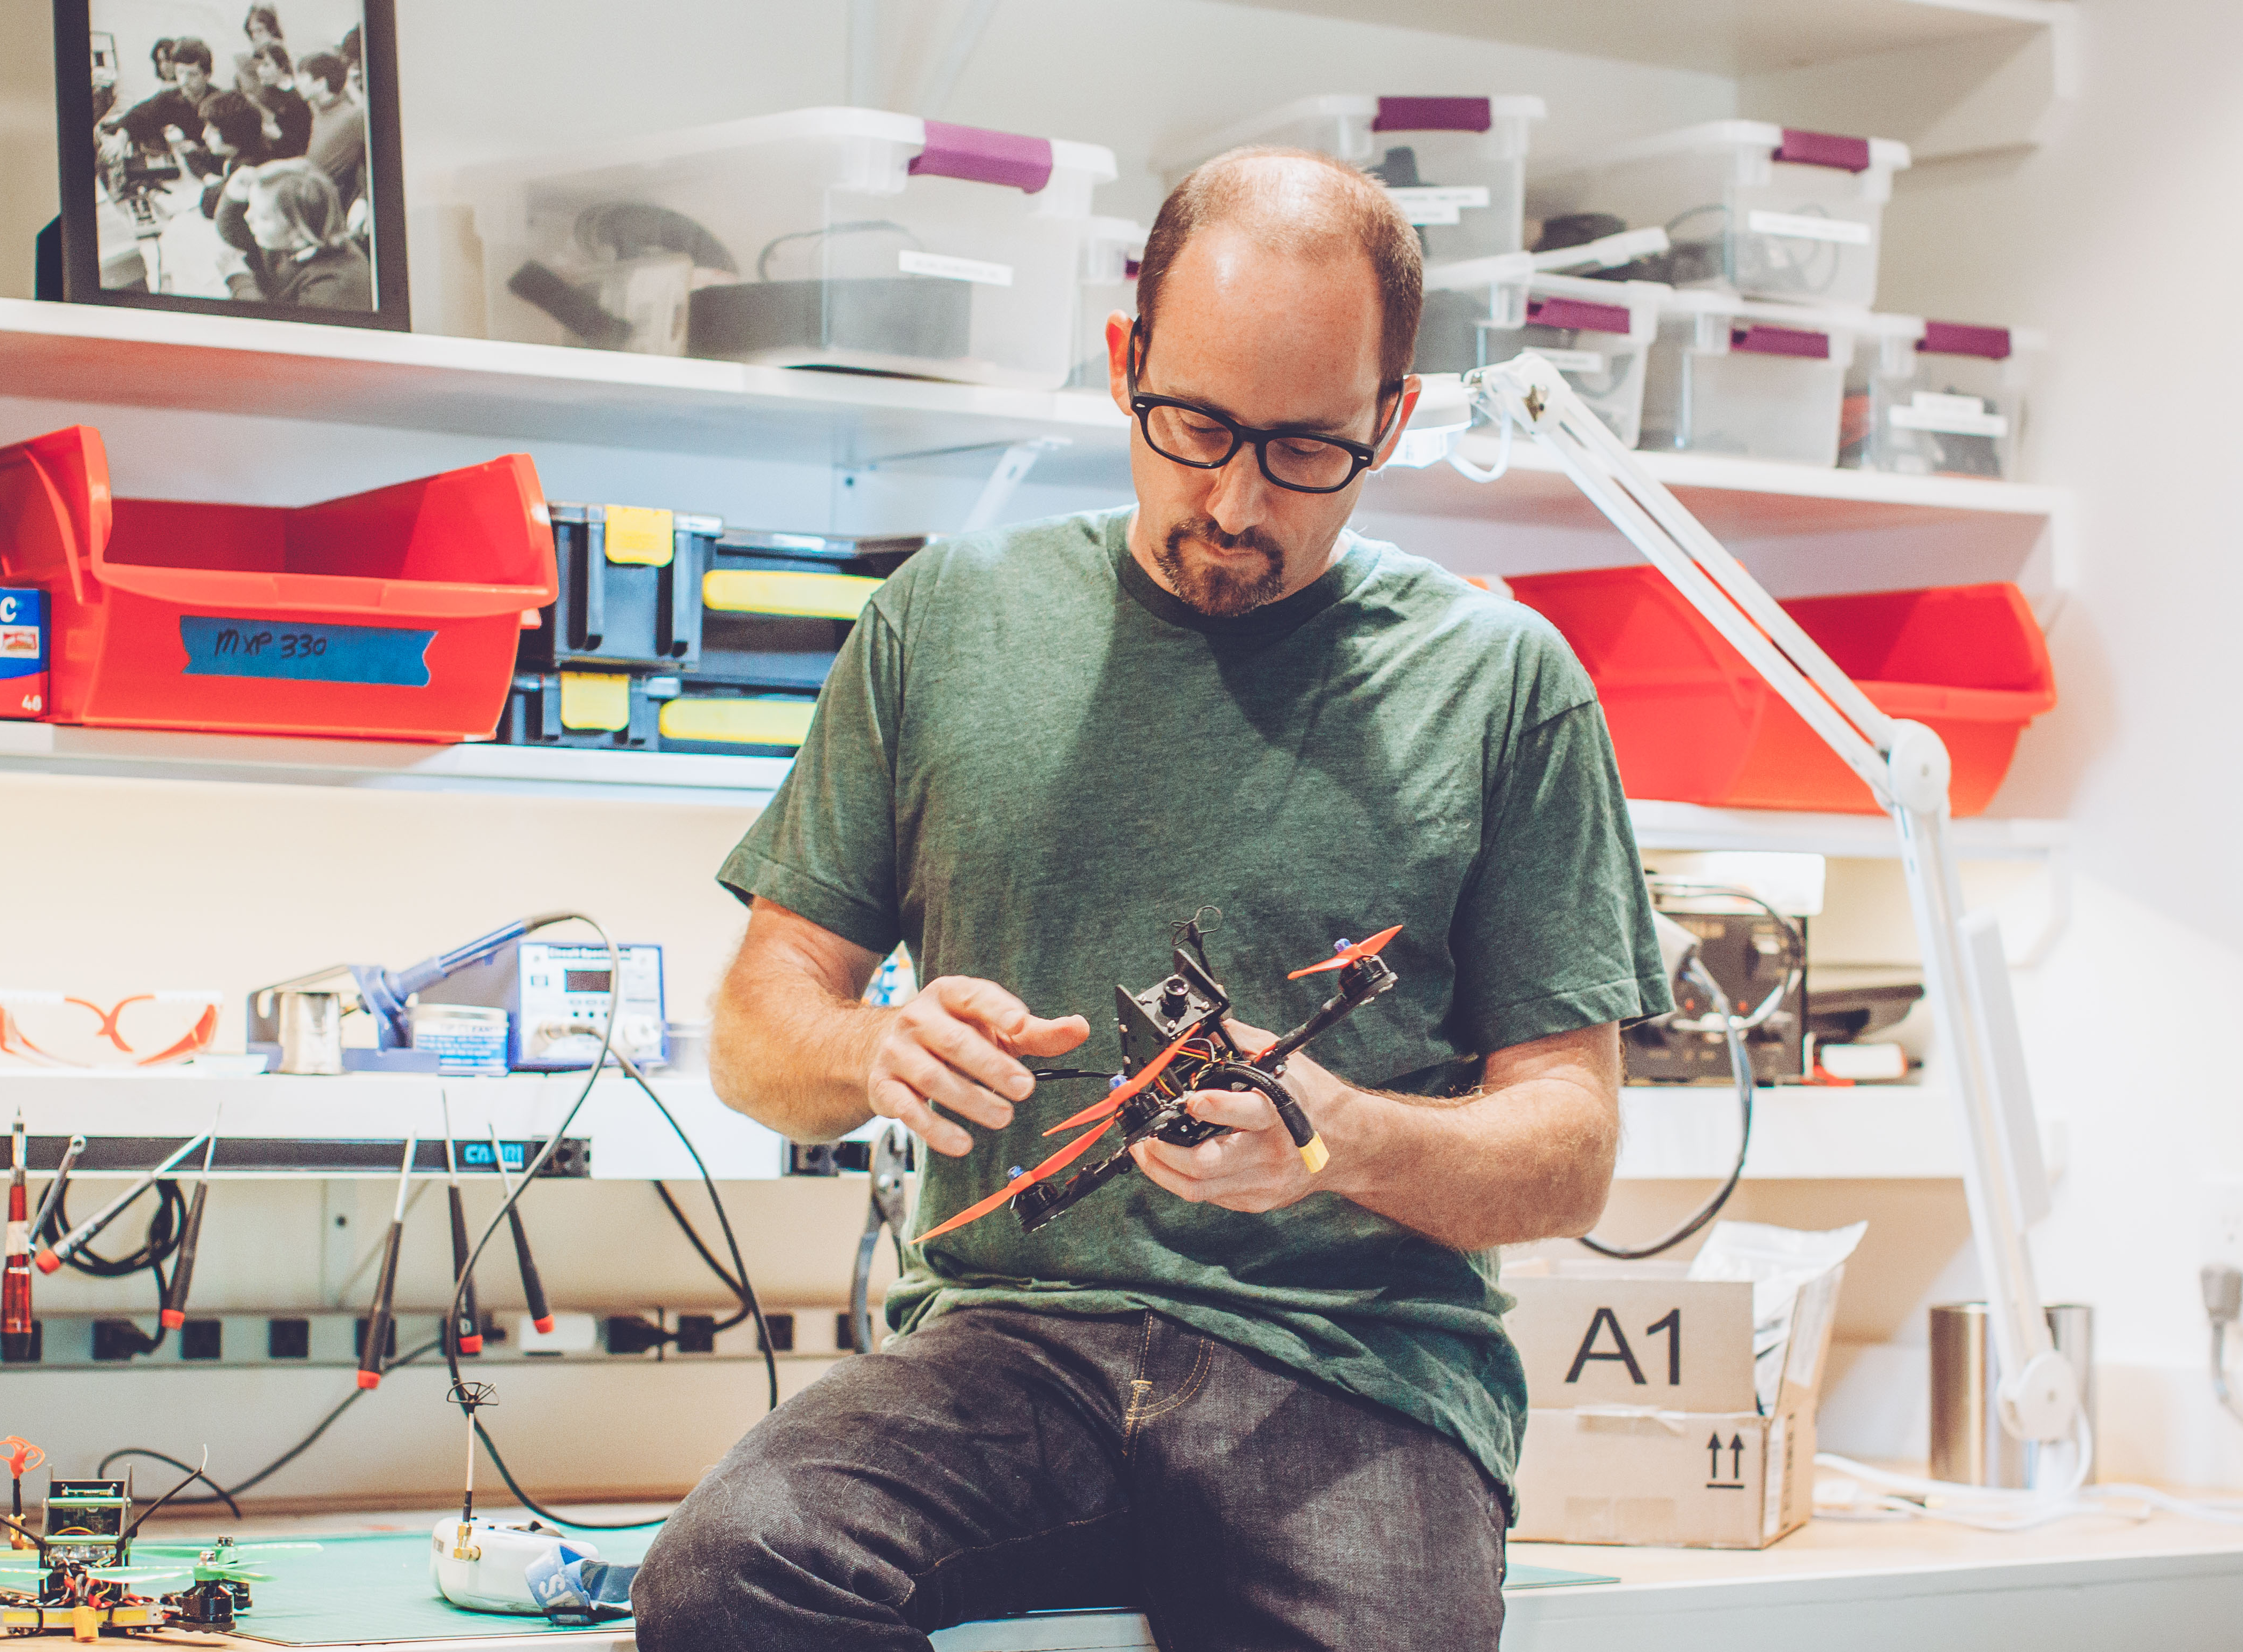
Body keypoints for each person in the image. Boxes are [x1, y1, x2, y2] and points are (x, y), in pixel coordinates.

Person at [632, 147, 1667, 1650]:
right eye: (1195, 428)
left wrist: (1340, 1140)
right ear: (1126, 364)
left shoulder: (1502, 686)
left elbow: (1567, 1153)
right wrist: (874, 1050)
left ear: (1395, 420)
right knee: (734, 1578)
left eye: (1308, 449)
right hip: (1002, 1352)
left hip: (1355, 1370)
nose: (1235, 501)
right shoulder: (947, 624)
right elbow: (753, 1034)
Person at [213, 158, 371, 308]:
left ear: (298, 234)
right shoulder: (292, 241)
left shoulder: (333, 287)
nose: (247, 217)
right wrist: (233, 195)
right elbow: (234, 233)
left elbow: (276, 333)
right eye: (250, 205)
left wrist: (239, 281)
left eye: (263, 217)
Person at [102, 37, 213, 157]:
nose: (184, 82)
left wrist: (200, 149)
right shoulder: (170, 99)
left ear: (207, 75)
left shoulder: (219, 102)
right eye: (181, 73)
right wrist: (122, 137)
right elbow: (138, 116)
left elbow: (231, 148)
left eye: (192, 75)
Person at [296, 51, 363, 209]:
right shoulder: (314, 108)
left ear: (320, 84)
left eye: (302, 78)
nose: (297, 83)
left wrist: (363, 199)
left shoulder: (353, 116)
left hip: (328, 199)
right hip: (308, 189)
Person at [244, 43, 312, 158]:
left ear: (281, 67)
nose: (260, 71)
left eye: (266, 65)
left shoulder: (297, 99)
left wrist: (278, 136)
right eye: (258, 66)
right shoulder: (263, 91)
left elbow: (301, 141)